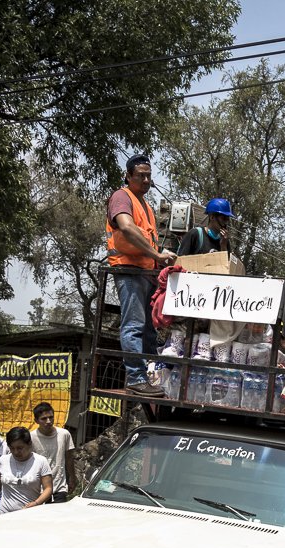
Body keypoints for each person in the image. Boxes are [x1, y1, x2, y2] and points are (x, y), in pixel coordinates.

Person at [106, 153, 175, 397]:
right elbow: (126, 228)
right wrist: (156, 256)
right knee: (134, 325)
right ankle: (136, 377)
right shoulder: (121, 197)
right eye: (140, 176)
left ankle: (151, 373)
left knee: (148, 329)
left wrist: (159, 255)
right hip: (129, 270)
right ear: (128, 176)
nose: (146, 180)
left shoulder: (145, 205)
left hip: (145, 272)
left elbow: (147, 240)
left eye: (148, 176)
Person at [0, 427, 53, 515]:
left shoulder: (41, 461)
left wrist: (36, 503)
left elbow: (48, 488)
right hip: (4, 514)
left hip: (31, 514)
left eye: (20, 448)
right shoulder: (3, 461)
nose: (16, 452)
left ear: (29, 444)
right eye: (12, 448)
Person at [29, 402, 76, 504]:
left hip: (59, 487)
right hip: (38, 489)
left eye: (51, 417)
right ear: (36, 420)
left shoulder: (64, 434)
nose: (48, 421)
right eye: (44, 419)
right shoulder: (31, 437)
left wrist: (72, 477)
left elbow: (69, 458)